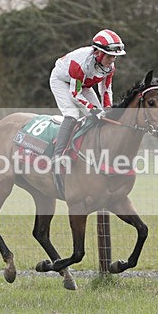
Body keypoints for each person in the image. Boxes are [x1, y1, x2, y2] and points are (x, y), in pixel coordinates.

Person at [48, 28, 125, 195]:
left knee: (101, 117)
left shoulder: (109, 67)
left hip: (84, 85)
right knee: (73, 115)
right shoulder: (80, 64)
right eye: (109, 56)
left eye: (114, 57)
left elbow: (106, 89)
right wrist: (92, 110)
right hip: (62, 81)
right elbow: (74, 94)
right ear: (98, 53)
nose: (112, 60)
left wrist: (107, 109)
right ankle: (58, 154)